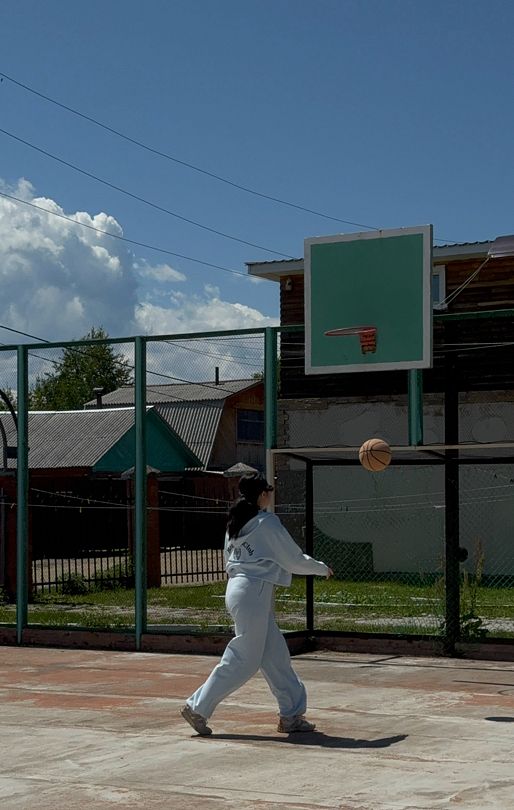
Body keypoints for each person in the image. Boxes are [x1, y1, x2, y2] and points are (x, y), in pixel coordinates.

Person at [181, 471, 333, 736]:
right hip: (254, 592)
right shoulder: (266, 523)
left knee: (275, 657)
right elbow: (292, 559)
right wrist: (321, 568)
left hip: (240, 590)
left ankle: (291, 715)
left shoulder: (235, 523)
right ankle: (197, 707)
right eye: (269, 491)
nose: (271, 496)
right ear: (263, 494)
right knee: (244, 659)